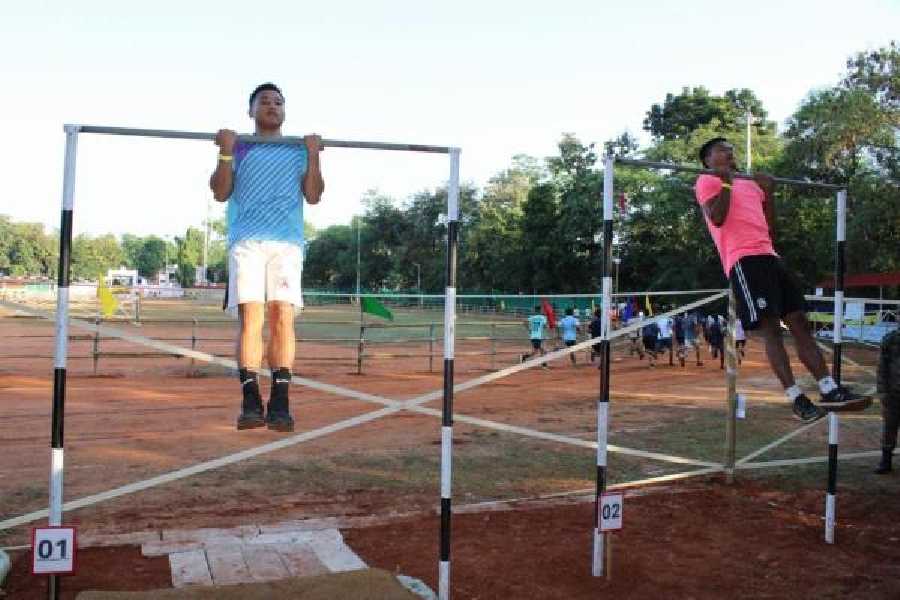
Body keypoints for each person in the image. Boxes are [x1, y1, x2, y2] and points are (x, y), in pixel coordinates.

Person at [695, 136, 869, 422]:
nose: (729, 152)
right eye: (721, 149)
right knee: (771, 328)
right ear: (708, 160)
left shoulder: (750, 183)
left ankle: (829, 388)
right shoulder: (707, 180)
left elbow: (769, 228)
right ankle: (796, 398)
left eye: (730, 148)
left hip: (769, 254)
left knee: (799, 321)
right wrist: (726, 181)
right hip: (742, 259)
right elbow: (717, 218)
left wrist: (769, 192)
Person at [210, 82, 324, 432]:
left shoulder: (298, 149)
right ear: (251, 110)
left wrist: (314, 153)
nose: (272, 106)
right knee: (252, 318)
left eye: (278, 102)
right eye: (265, 102)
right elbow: (220, 192)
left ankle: (280, 401)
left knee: (282, 317)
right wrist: (226, 152)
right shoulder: (240, 146)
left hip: (287, 243)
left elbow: (314, 196)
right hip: (247, 241)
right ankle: (249, 400)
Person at [875, 328, 900, 474]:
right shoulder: (891, 339)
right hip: (892, 392)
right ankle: (886, 460)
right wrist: (883, 392)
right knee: (889, 427)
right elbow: (882, 368)